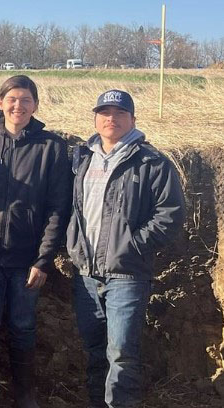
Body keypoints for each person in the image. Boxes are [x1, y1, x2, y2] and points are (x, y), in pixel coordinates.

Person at [0, 75, 71, 407]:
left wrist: (44, 259)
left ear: (35, 105)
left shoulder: (51, 147)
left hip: (26, 261)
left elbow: (57, 208)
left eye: (26, 100)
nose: (18, 106)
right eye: (12, 99)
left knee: (22, 326)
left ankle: (24, 395)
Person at [67, 90, 185, 407]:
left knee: (122, 354)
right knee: (94, 351)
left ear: (132, 119)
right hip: (86, 275)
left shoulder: (151, 162)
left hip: (127, 275)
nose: (111, 119)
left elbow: (170, 215)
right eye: (105, 112)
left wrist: (131, 248)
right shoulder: (83, 159)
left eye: (119, 113)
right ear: (95, 118)